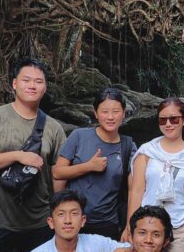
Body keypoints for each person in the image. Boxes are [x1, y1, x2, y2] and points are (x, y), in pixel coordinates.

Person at [0, 57, 67, 252]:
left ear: (45, 87)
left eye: (38, 81)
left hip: (38, 221)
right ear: (14, 84)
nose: (32, 85)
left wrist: (59, 212)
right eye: (26, 80)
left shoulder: (54, 128)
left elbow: (58, 174)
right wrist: (17, 155)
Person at [129, 98, 184, 252]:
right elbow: (137, 190)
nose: (168, 124)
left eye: (174, 119)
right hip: (147, 224)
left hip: (180, 224)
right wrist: (130, 226)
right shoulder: (147, 151)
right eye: (163, 119)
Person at [53, 88, 137, 241]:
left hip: (108, 222)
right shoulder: (79, 136)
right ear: (96, 113)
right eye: (104, 111)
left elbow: (133, 190)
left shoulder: (128, 146)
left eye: (116, 111)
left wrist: (129, 226)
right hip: (73, 220)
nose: (110, 117)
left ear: (124, 113)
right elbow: (58, 173)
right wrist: (88, 166)